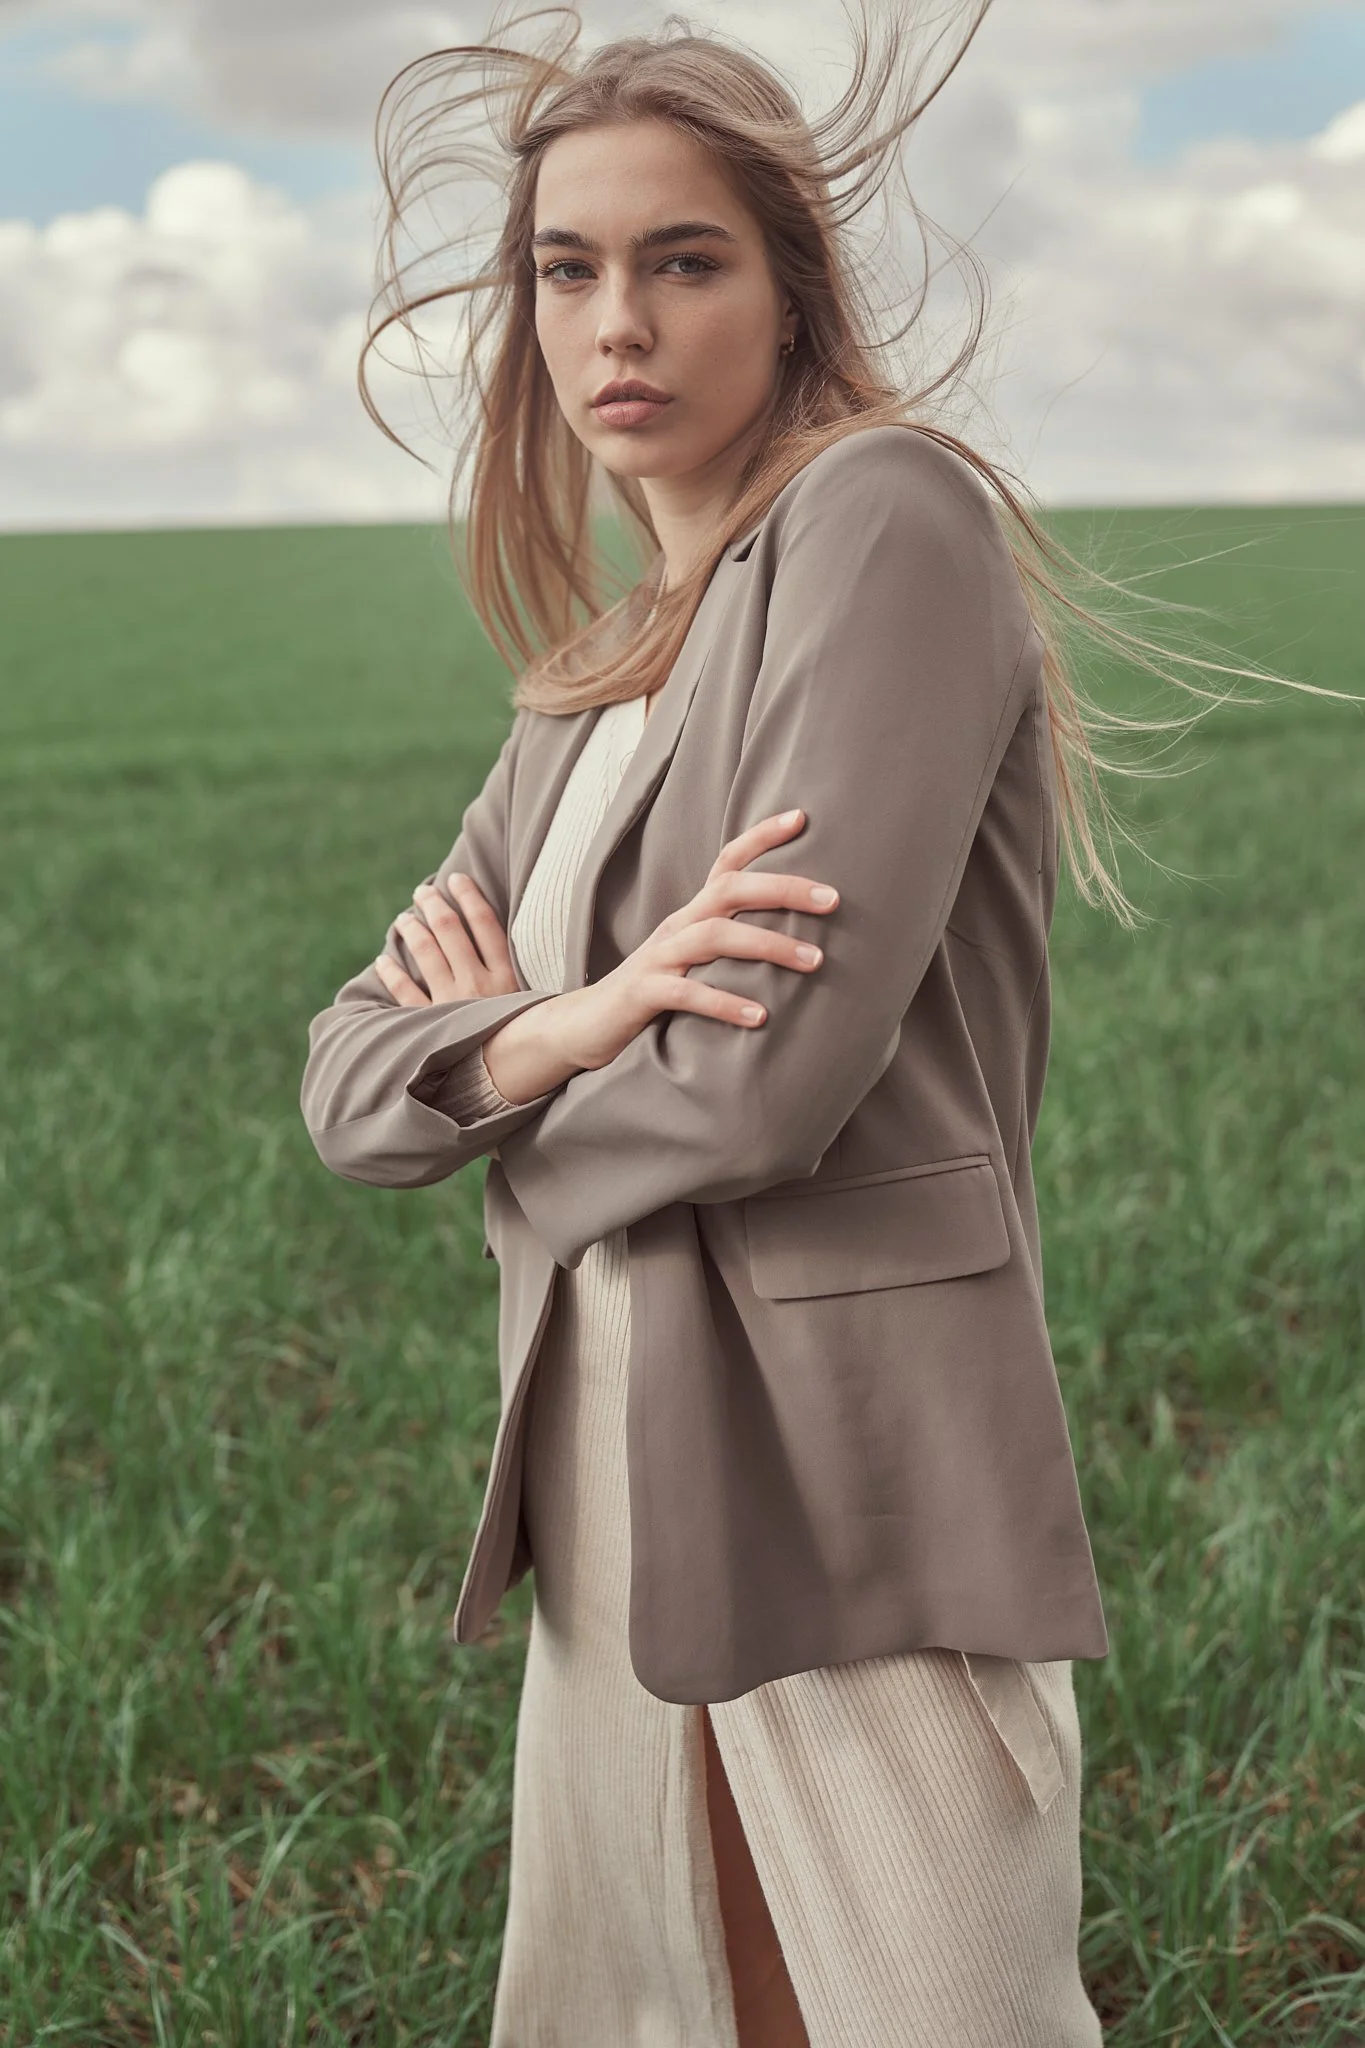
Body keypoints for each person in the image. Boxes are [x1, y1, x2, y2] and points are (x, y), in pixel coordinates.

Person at [300, 4, 1323, 2040]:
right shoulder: (591, 673)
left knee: (918, 2000)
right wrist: (558, 1027)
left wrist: (515, 1147)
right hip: (609, 1474)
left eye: (682, 260)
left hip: (849, 1465)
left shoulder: (886, 519)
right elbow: (351, 1081)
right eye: (566, 269)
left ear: (787, 287)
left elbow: (763, 1080)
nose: (618, 320)